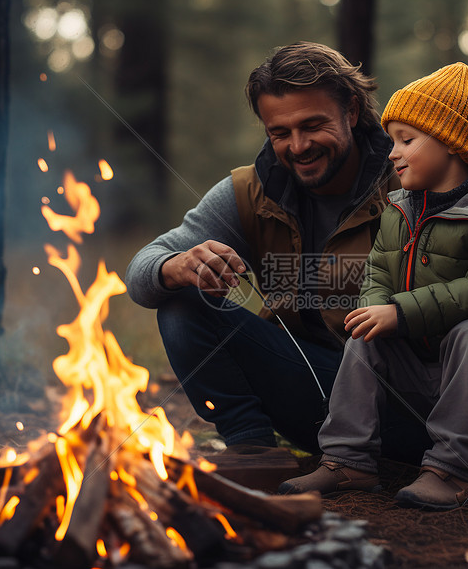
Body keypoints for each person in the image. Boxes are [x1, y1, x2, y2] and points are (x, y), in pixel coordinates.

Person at [278, 63, 468, 510]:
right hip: (422, 364)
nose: (392, 153)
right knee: (365, 339)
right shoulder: (399, 210)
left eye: (407, 140)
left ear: (451, 143)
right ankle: (348, 461)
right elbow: (377, 275)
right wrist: (375, 310)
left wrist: (401, 312)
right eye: (392, 141)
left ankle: (452, 471)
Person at [125, 42, 399, 452]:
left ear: (353, 111)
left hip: (408, 399)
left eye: (312, 125)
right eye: (280, 133)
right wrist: (177, 265)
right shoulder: (250, 191)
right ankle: (252, 449)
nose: (298, 146)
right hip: (314, 393)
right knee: (182, 302)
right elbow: (141, 270)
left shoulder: (411, 177)